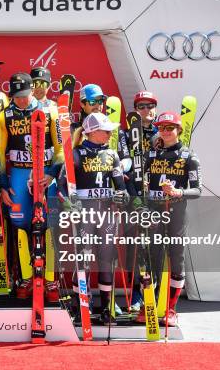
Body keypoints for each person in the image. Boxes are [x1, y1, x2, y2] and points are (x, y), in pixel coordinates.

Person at [0, 72, 64, 302]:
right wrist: (2, 185)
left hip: (45, 173)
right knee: (20, 223)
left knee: (49, 224)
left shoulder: (51, 112)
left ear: (33, 90)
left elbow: (62, 148)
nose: (21, 100)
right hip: (20, 173)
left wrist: (52, 174)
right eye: (16, 96)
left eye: (25, 95)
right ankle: (25, 277)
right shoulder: (3, 116)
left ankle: (50, 278)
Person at [63, 112, 129, 325]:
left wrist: (122, 196)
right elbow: (63, 187)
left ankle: (107, 309)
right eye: (106, 130)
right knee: (82, 259)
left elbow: (122, 188)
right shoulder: (76, 153)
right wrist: (70, 204)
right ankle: (79, 305)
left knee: (106, 259)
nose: (110, 134)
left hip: (107, 212)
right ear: (92, 132)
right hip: (85, 212)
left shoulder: (112, 154)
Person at [138, 111, 202, 326]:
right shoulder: (151, 155)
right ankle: (150, 304)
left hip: (176, 212)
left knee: (176, 259)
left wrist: (178, 192)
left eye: (170, 128)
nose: (165, 132)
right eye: (162, 128)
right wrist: (141, 190)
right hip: (154, 212)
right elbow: (137, 182)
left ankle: (171, 309)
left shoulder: (189, 157)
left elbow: (197, 191)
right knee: (153, 259)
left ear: (179, 130)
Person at [124, 90, 160, 312]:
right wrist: (133, 197)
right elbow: (120, 170)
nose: (146, 110)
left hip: (157, 197)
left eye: (150, 106)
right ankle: (136, 295)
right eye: (141, 107)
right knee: (135, 248)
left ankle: (155, 295)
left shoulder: (163, 133)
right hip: (134, 197)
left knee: (156, 247)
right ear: (135, 111)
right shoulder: (126, 135)